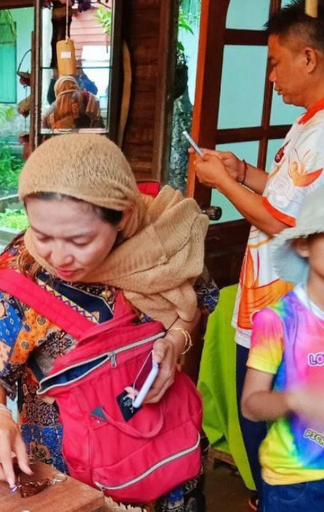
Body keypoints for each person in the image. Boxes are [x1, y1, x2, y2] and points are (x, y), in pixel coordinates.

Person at [0, 134, 218, 511]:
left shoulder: (167, 245)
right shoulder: (19, 279)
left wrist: (176, 340)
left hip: (164, 452)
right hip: (71, 472)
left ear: (124, 216)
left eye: (80, 240)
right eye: (42, 235)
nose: (59, 256)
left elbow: (196, 303)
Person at [192, 1, 324, 502]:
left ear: (307, 58)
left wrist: (224, 184)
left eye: (274, 62)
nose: (270, 77)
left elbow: (285, 225)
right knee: (261, 440)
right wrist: (244, 173)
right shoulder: (307, 125)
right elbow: (288, 195)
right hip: (266, 313)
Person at [241, 187, 324, 511]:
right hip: (296, 481)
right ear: (303, 244)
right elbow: (250, 404)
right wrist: (295, 399)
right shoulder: (279, 319)